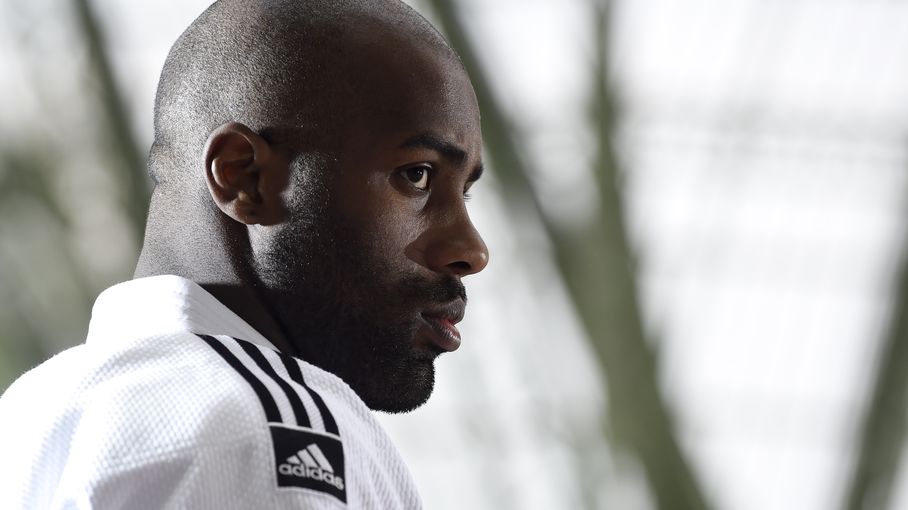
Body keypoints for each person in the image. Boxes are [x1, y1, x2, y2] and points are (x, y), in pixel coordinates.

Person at [0, 0, 488, 508]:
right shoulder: (273, 433)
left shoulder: (30, 417)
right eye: (417, 175)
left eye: (465, 192)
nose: (473, 250)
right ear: (243, 177)